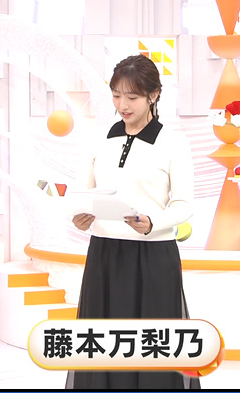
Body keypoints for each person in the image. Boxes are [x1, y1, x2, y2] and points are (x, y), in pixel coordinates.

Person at [65, 54, 200, 390]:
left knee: (153, 346)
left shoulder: (174, 142)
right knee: (103, 344)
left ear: (154, 95)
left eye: (132, 97)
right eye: (116, 95)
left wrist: (153, 222)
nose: (122, 105)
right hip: (104, 255)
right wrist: (79, 218)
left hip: (153, 255)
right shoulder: (98, 139)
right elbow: (82, 193)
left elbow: (184, 204)